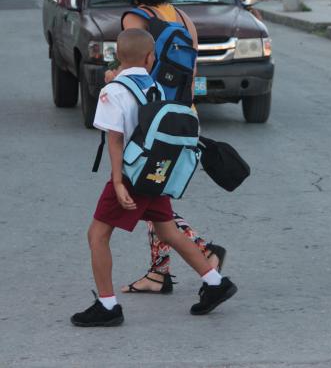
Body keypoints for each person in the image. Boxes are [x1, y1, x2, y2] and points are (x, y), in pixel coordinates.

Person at [70, 28, 236, 327]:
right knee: (168, 231)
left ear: (116, 57)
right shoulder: (156, 87)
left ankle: (107, 306)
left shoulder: (113, 92)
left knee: (97, 235)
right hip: (155, 172)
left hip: (132, 177)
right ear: (150, 58)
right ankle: (215, 282)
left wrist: (118, 182)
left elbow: (115, 141)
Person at [111, 0, 228, 295]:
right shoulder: (182, 17)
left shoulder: (136, 19)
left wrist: (111, 77)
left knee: (145, 193)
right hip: (184, 117)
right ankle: (158, 273)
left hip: (152, 121)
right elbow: (191, 72)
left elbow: (135, 73)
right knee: (154, 190)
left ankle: (204, 252)